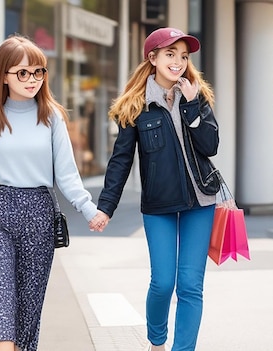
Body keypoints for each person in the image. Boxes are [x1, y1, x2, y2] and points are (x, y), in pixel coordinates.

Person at [94, 27, 218, 351]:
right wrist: (106, 207)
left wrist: (191, 108)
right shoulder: (135, 107)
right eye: (170, 54)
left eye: (183, 56)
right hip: (159, 205)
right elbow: (120, 161)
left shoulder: (197, 95)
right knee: (163, 283)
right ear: (153, 58)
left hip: (199, 201)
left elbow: (211, 144)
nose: (178, 62)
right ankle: (157, 341)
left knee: (190, 286)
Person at [0, 35, 106, 351]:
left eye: (38, 72)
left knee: (27, 312)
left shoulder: (50, 116)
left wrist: (89, 209)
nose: (32, 79)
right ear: (4, 76)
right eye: (22, 72)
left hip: (38, 214)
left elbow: (66, 174)